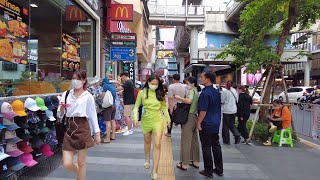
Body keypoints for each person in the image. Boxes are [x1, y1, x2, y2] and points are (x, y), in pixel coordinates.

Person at [58, 70, 101, 180]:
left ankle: (80, 175)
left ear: (84, 81)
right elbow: (60, 114)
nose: (75, 81)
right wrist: (62, 107)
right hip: (69, 126)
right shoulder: (66, 94)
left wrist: (97, 133)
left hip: (82, 126)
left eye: (78, 79)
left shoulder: (88, 96)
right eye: (73, 78)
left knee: (81, 162)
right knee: (67, 163)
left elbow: (92, 115)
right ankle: (79, 171)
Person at [133, 74, 171, 179]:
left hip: (158, 120)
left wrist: (168, 119)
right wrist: (135, 117)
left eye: (156, 84)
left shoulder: (161, 94)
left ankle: (155, 170)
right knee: (147, 141)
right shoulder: (142, 93)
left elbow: (164, 108)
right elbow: (136, 106)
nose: (153, 85)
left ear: (158, 84)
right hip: (146, 120)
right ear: (148, 82)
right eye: (152, 83)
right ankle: (147, 159)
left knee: (157, 144)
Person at [197, 71, 223, 178]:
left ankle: (208, 171)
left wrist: (198, 123)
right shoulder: (216, 91)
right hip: (215, 123)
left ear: (207, 79)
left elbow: (203, 110)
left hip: (206, 124)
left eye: (202, 77)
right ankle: (219, 169)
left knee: (206, 147)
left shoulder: (205, 93)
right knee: (216, 146)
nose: (200, 78)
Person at [174, 77, 201, 171]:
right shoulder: (196, 91)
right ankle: (196, 161)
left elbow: (189, 101)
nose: (186, 85)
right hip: (194, 116)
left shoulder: (191, 91)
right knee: (194, 140)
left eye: (187, 83)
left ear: (192, 83)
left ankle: (184, 164)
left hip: (189, 117)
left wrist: (180, 98)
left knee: (185, 141)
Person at [221, 80, 241, 145]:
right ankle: (237, 134)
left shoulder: (225, 92)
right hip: (234, 110)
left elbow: (222, 100)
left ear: (226, 84)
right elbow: (237, 100)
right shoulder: (235, 91)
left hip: (226, 110)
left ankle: (227, 140)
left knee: (225, 126)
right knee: (231, 124)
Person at [117, 72, 135, 136]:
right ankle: (129, 128)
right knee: (129, 116)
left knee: (127, 116)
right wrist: (118, 92)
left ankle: (130, 130)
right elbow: (122, 91)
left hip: (128, 102)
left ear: (124, 76)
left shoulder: (128, 82)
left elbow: (120, 88)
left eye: (121, 77)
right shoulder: (130, 82)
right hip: (130, 101)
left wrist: (113, 89)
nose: (122, 79)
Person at [101, 78, 117, 143]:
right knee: (112, 120)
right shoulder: (113, 86)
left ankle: (107, 138)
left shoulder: (105, 86)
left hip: (108, 106)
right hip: (114, 105)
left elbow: (103, 95)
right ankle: (113, 135)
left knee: (107, 122)